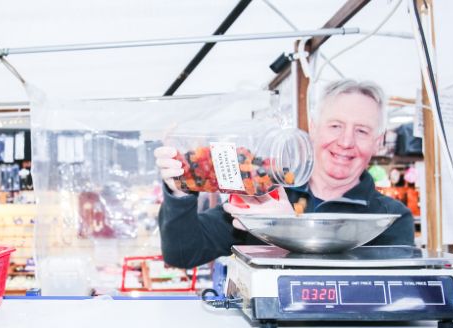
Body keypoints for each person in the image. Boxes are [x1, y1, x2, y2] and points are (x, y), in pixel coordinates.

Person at [155, 79, 415, 268]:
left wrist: (285, 229)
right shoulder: (265, 190)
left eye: (362, 131)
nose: (346, 142)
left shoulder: (388, 218)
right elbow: (182, 253)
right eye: (335, 125)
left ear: (378, 141)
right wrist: (180, 190)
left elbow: (373, 300)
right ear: (313, 128)